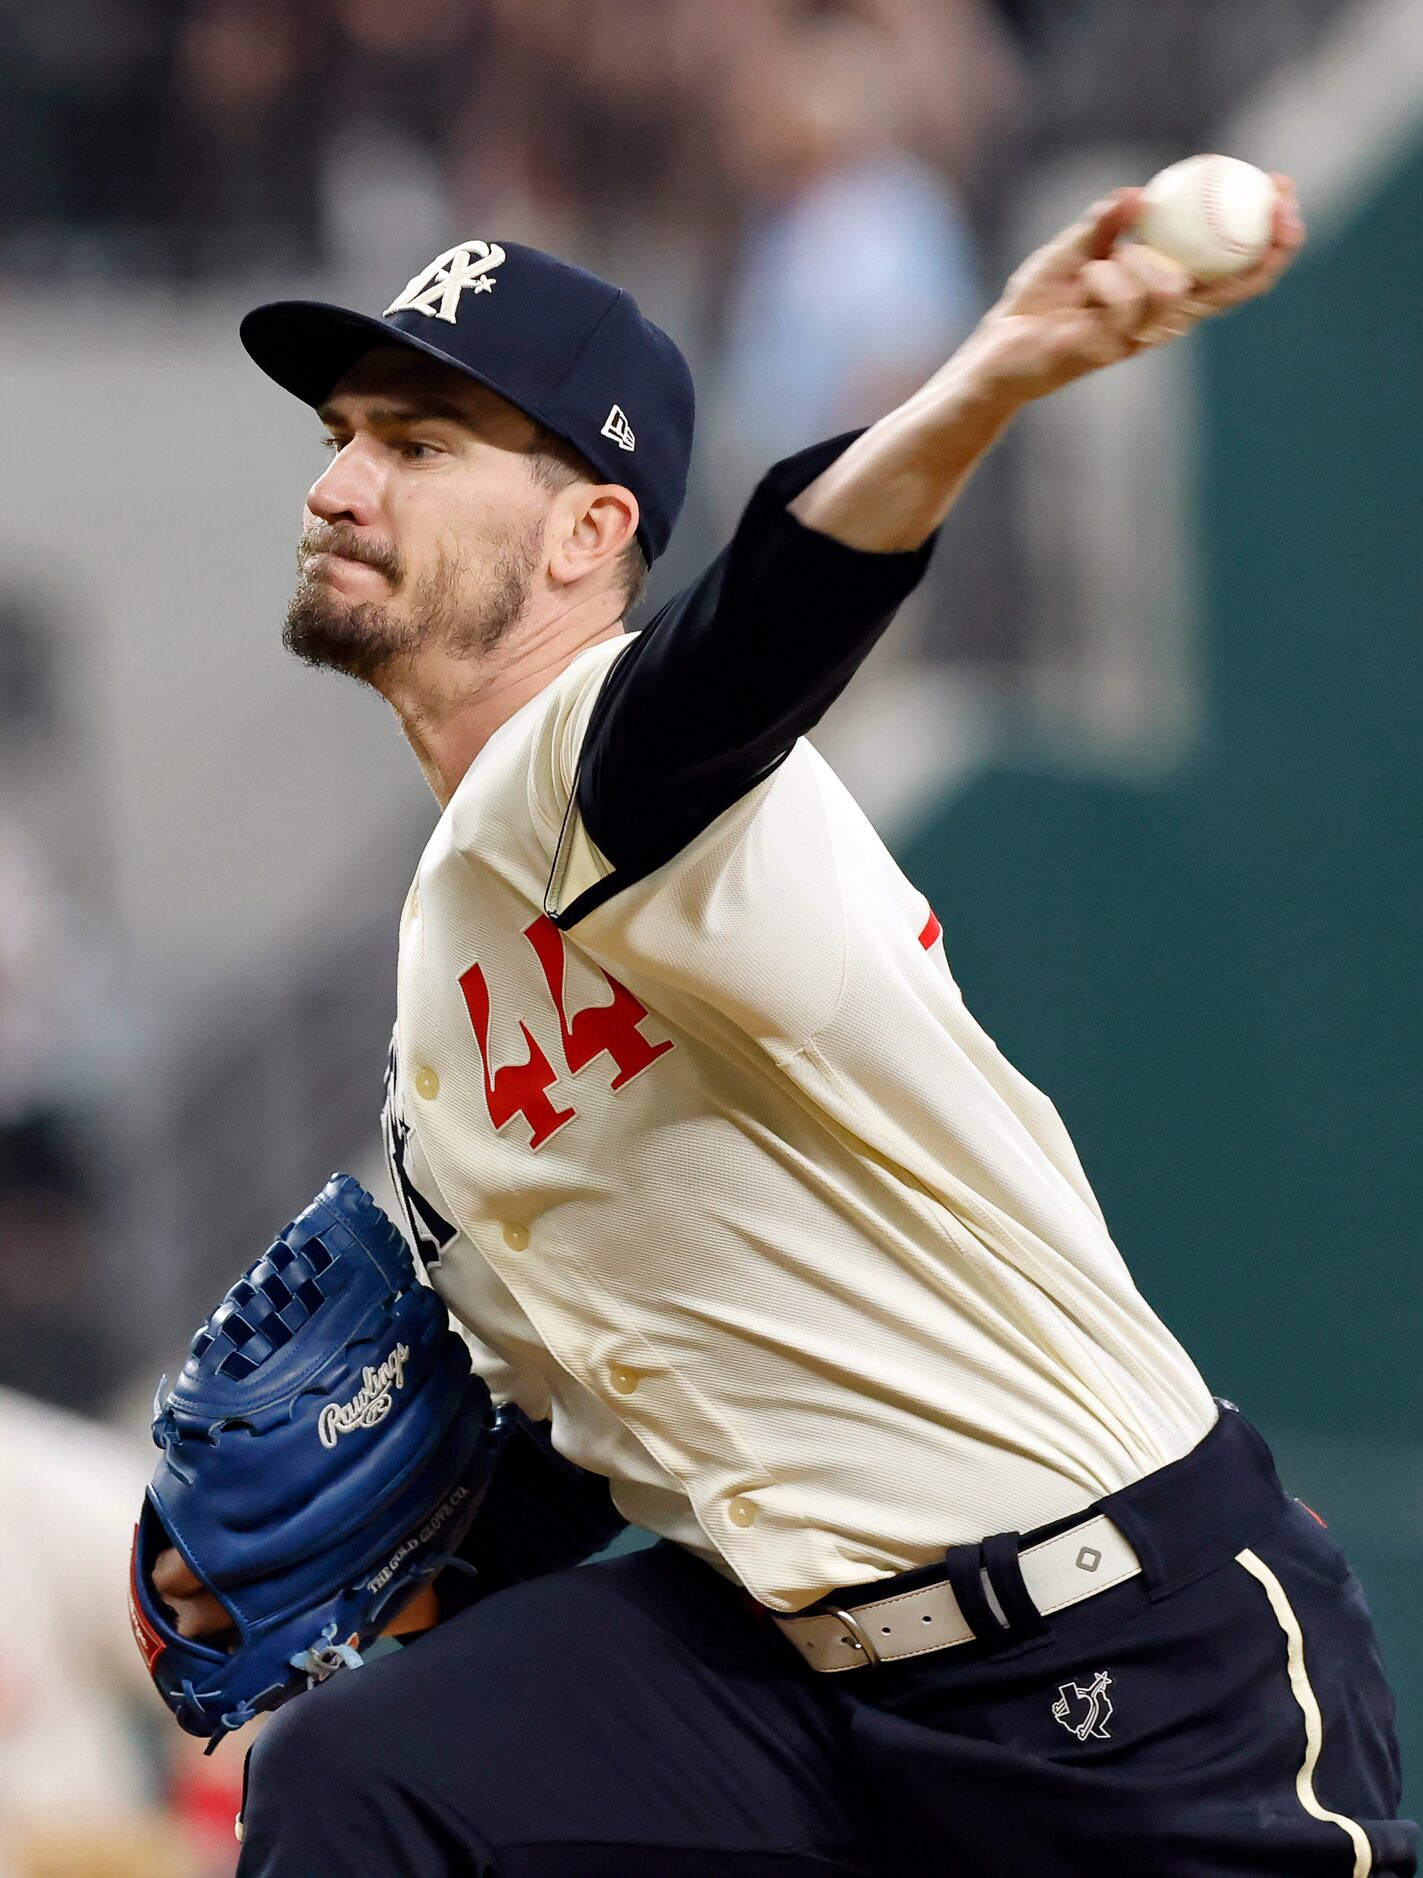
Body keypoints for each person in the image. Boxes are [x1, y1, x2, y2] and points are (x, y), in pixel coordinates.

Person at [200, 187, 1411, 1874]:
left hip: (1123, 1662)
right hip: (802, 1694)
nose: (337, 484)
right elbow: (585, 1444)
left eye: (414, 443)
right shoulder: (441, 1017)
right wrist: (389, 1567)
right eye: (342, 438)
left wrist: (987, 377)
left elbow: (764, 623)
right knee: (368, 1776)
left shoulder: (620, 759)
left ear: (582, 534)